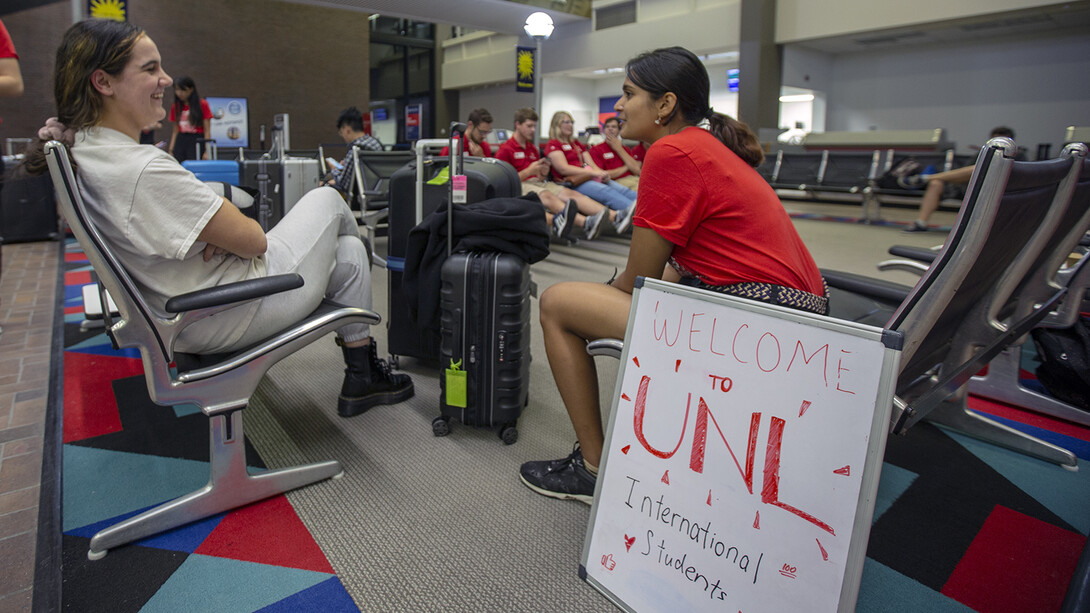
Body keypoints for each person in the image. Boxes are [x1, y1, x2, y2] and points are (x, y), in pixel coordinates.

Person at [27, 19, 412, 418]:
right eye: (150, 69)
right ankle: (389, 299)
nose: (166, 78)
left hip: (193, 306)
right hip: (234, 306)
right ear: (103, 83)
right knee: (329, 198)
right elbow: (254, 240)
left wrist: (214, 223)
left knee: (347, 249)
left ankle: (362, 374)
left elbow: (194, 215)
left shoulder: (88, 151)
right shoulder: (141, 168)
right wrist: (227, 225)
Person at [519, 46, 826, 504]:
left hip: (763, 324)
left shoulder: (672, 152)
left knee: (558, 302)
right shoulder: (707, 147)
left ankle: (592, 468)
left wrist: (606, 292)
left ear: (665, 105)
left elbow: (639, 280)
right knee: (611, 296)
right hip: (801, 318)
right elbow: (677, 267)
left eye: (627, 94)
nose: (618, 106)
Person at [495, 108, 632, 240]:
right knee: (548, 195)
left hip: (539, 182)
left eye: (534, 126)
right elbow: (503, 181)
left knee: (572, 195)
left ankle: (615, 217)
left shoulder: (532, 148)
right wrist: (529, 171)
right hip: (521, 184)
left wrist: (543, 172)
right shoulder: (506, 149)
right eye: (529, 126)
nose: (533, 130)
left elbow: (541, 177)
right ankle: (585, 223)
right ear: (517, 125)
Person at [904, 126, 1018, 232]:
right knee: (936, 184)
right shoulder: (981, 154)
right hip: (967, 187)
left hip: (995, 190)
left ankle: (926, 178)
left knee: (981, 167)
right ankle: (921, 222)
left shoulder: (1019, 155)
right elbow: (962, 175)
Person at [545, 110, 638, 213]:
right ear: (557, 125)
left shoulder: (576, 143)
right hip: (572, 182)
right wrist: (592, 172)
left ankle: (648, 208)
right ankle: (636, 214)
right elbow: (563, 169)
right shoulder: (553, 144)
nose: (570, 125)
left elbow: (591, 164)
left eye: (571, 122)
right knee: (606, 191)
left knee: (622, 190)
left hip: (588, 177)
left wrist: (601, 173)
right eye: (566, 122)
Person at [327, 106, 382, 196]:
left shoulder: (355, 151)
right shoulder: (376, 144)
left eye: (341, 132)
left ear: (347, 129)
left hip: (358, 200)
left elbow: (343, 185)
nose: (342, 136)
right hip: (377, 195)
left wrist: (334, 169)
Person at [588, 116, 641, 191]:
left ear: (619, 130)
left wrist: (619, 149)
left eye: (614, 127)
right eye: (607, 127)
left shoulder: (625, 149)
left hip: (634, 178)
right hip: (615, 182)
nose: (610, 129)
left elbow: (636, 170)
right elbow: (602, 175)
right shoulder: (596, 149)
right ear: (603, 130)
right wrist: (627, 167)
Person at [167, 76, 212, 162]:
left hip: (197, 140)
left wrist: (207, 150)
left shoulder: (202, 104)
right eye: (176, 90)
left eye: (183, 90)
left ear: (191, 89)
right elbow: (175, 131)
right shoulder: (176, 106)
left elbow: (207, 130)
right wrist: (171, 150)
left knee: (194, 166)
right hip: (181, 140)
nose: (179, 93)